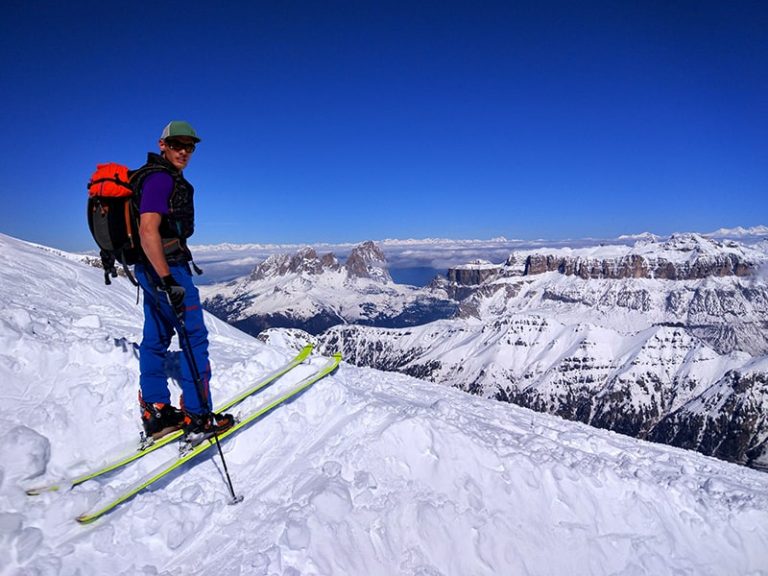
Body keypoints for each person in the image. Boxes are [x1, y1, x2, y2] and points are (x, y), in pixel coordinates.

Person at [134, 121, 233, 444]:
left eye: (189, 146)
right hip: (167, 269)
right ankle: (198, 415)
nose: (184, 151)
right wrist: (167, 279)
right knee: (193, 338)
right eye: (177, 144)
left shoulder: (151, 176)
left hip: (147, 269)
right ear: (162, 144)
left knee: (156, 335)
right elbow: (149, 228)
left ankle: (156, 411)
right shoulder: (161, 178)